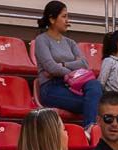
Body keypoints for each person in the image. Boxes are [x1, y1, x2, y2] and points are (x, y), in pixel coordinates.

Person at [35, 1, 104, 129]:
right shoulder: (42, 40)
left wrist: (62, 64)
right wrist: (72, 70)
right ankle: (90, 129)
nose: (68, 20)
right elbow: (50, 67)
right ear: (52, 19)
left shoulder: (70, 42)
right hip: (51, 88)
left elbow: (84, 64)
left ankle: (89, 130)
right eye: (64, 16)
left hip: (72, 85)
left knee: (95, 85)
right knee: (92, 103)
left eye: (67, 16)